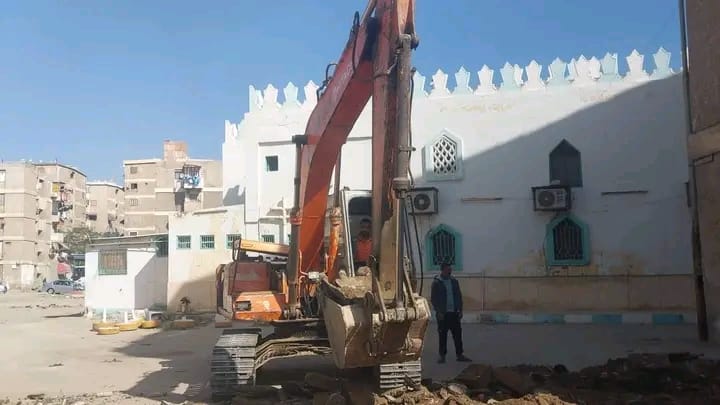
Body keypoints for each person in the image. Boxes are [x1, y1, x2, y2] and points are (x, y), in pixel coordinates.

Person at [430, 262, 471, 363]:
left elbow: (459, 296)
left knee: (457, 335)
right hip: (443, 314)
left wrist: (460, 310)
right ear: (442, 270)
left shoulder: (454, 281)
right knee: (442, 335)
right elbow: (433, 299)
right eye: (448, 270)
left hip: (454, 313)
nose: (450, 271)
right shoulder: (437, 282)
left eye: (450, 270)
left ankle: (460, 354)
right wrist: (438, 311)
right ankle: (442, 356)